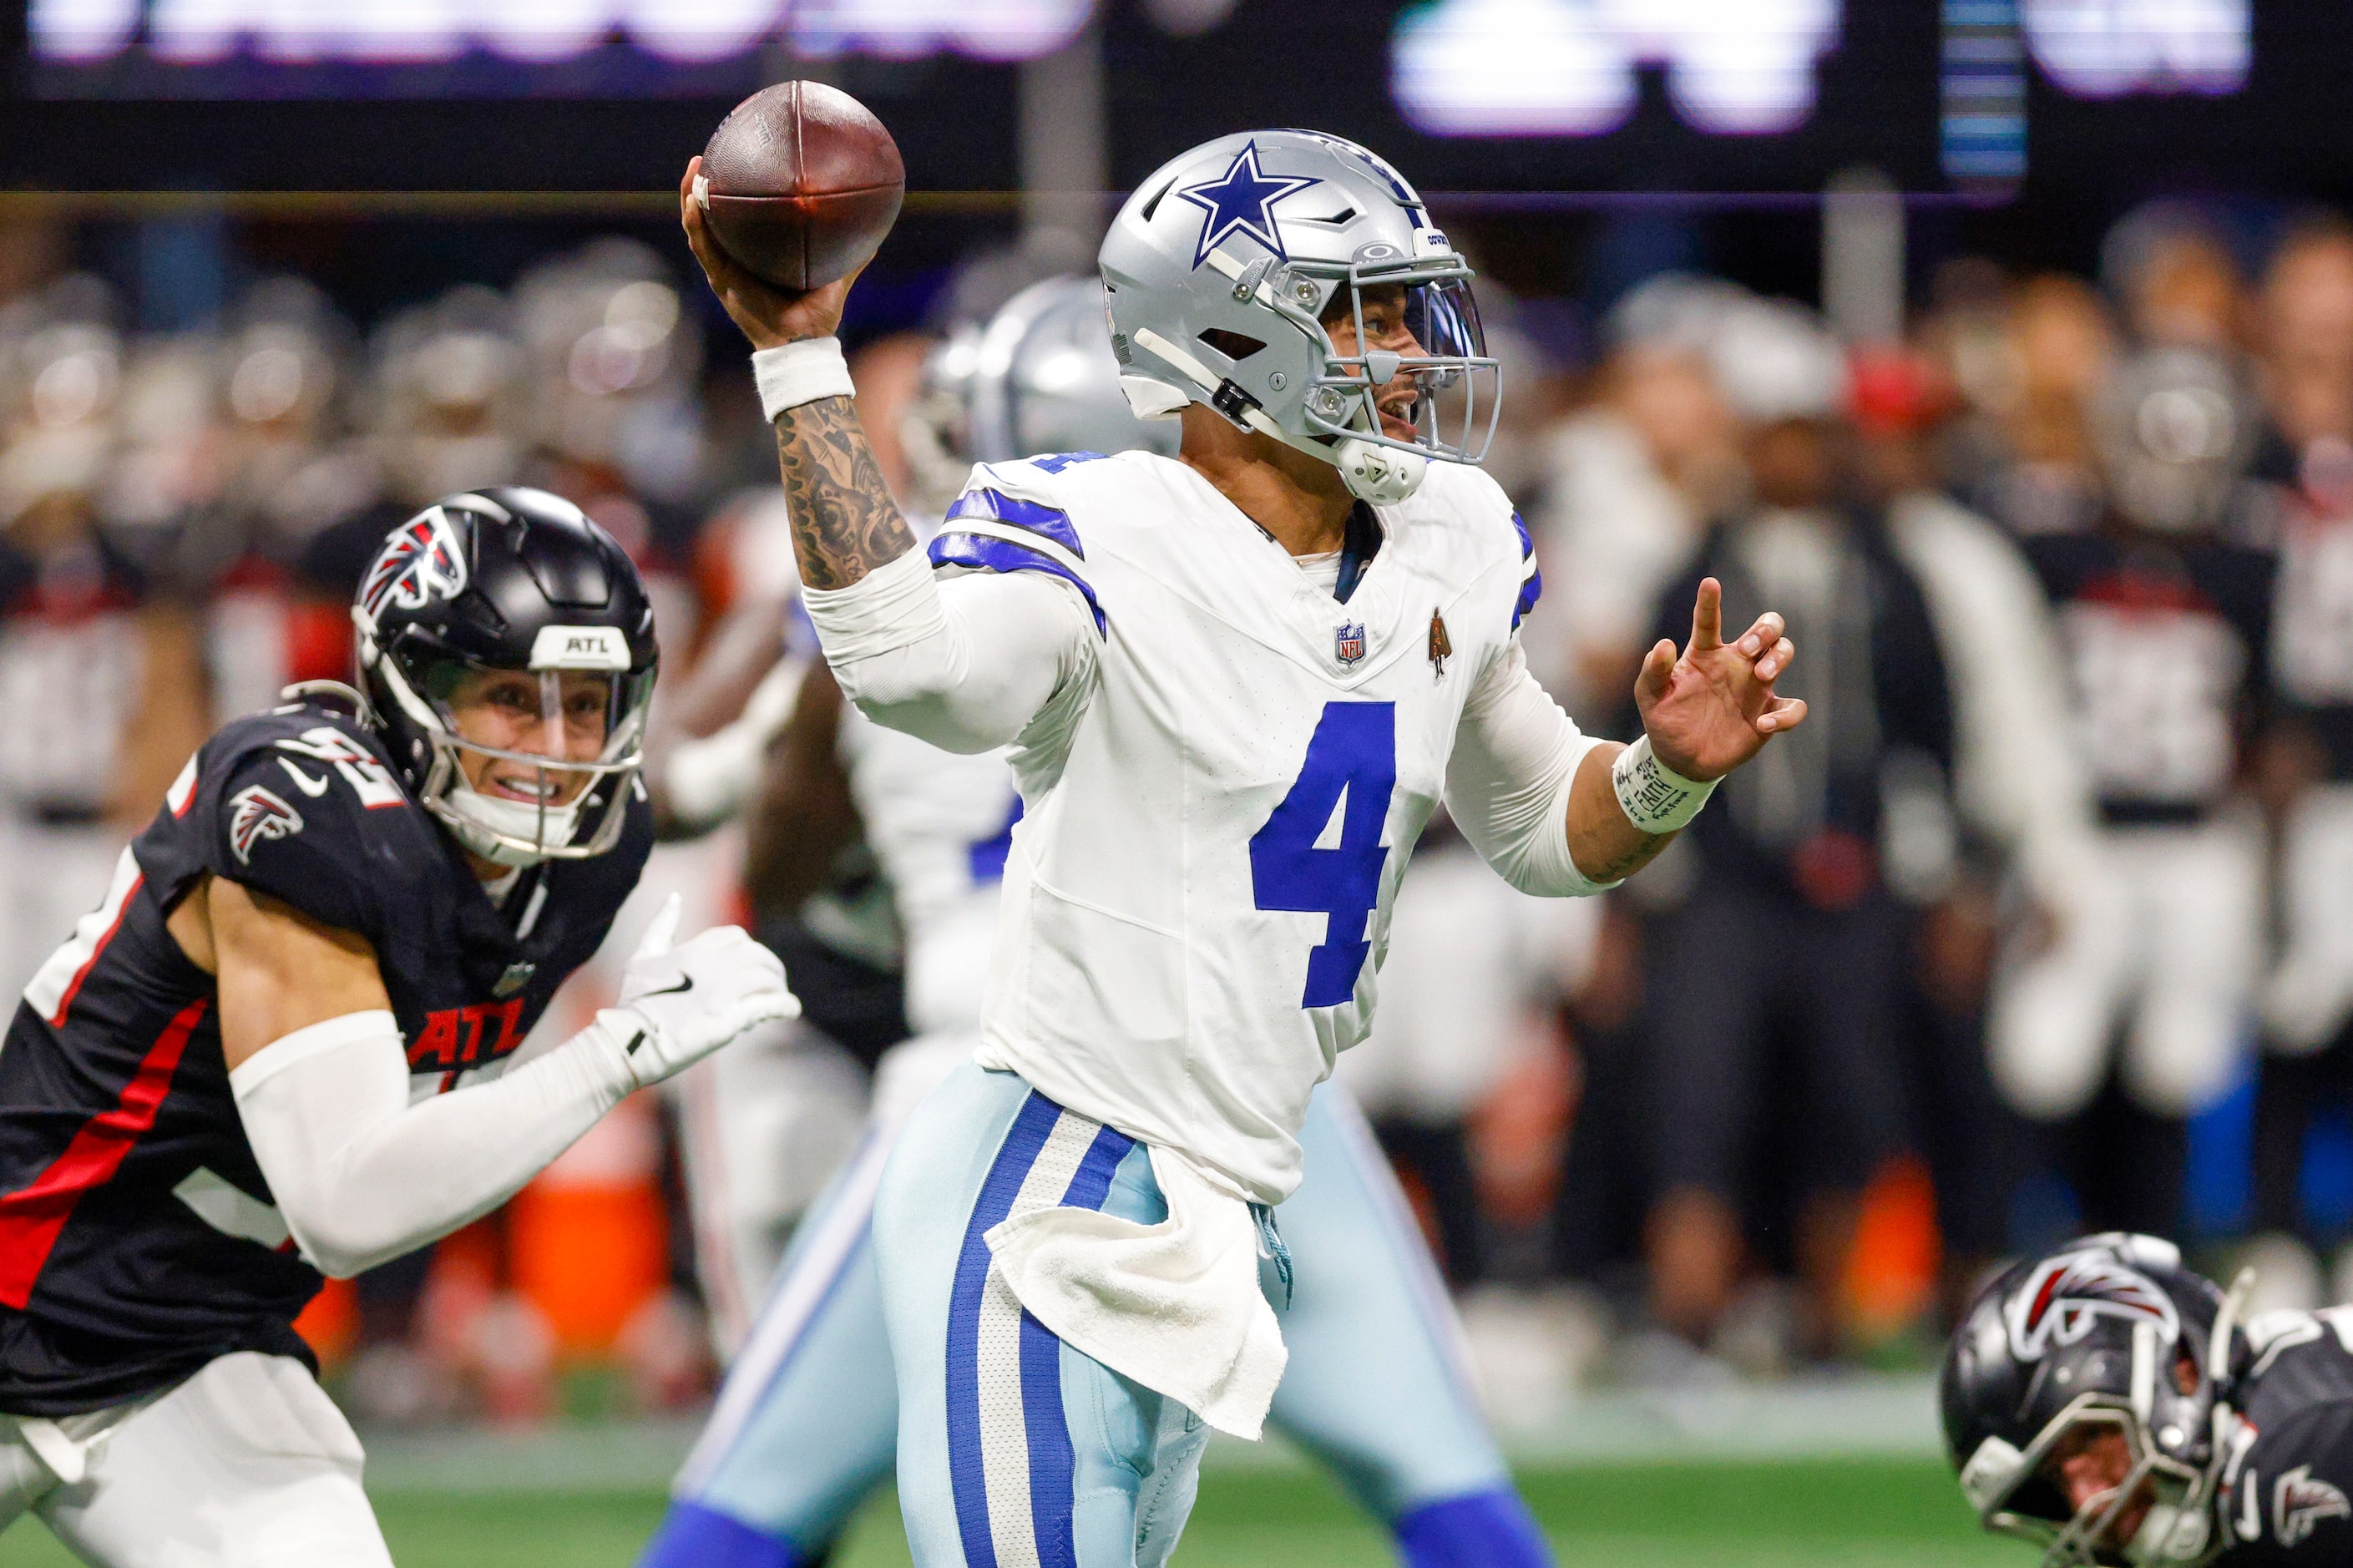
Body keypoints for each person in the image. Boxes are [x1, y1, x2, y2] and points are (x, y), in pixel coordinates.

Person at [682, 126, 1807, 1564]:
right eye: (1371, 311)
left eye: (1414, 306)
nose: (1414, 347)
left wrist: (1659, 774)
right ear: (1226, 336)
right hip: (1047, 1180)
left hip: (1241, 1186)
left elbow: (1535, 826)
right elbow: (907, 666)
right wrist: (798, 353)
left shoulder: (1446, 531)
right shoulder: (1094, 525)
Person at [640, 274, 1563, 1568]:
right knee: (1451, 1488)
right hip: (1269, 1094)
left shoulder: (889, 613)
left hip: (1003, 1082)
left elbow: (748, 839)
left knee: (749, 1507)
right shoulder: (1311, 581)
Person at [0, 486, 796, 1565]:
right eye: (512, 696)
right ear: (409, 689)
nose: (557, 747)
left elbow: (668, 782)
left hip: (179, 1353)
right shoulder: (306, 811)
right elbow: (346, 1200)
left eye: (588, 701)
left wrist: (771, 691)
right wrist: (619, 1051)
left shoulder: (594, 835)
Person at [1942, 1230, 2353, 1565]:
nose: (2088, 1504)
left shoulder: (2298, 1450)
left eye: (2092, 1438)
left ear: (2181, 1368)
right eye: (2053, 1482)